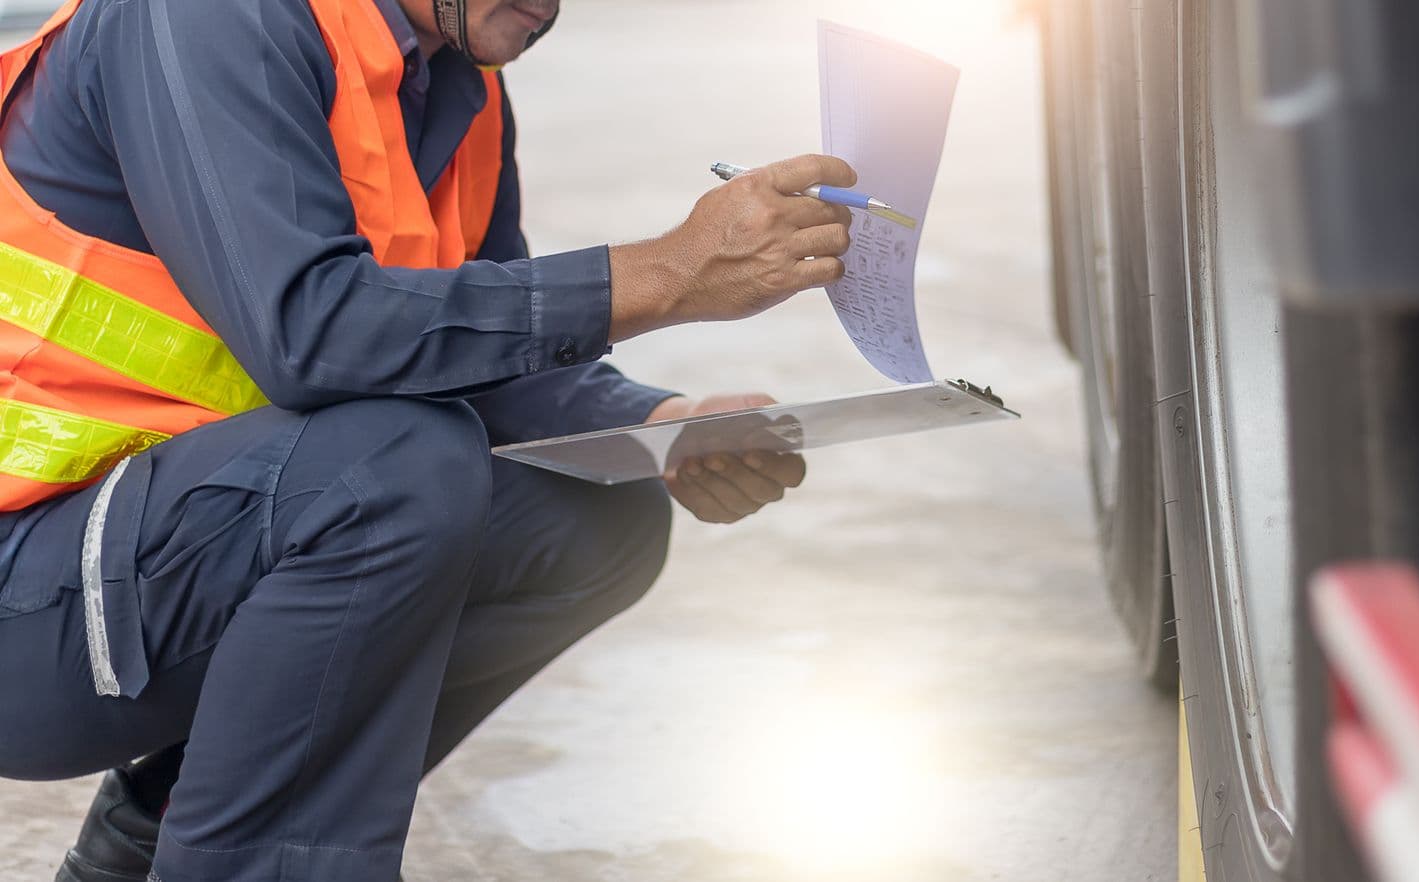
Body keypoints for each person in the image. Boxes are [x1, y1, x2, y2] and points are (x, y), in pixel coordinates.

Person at [0, 0, 856, 880]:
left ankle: (154, 840)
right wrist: (667, 272)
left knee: (594, 519)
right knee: (393, 466)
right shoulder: (206, 16)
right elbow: (312, 335)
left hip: (151, 568)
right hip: (26, 600)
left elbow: (473, 354)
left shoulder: (456, 83)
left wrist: (654, 425)